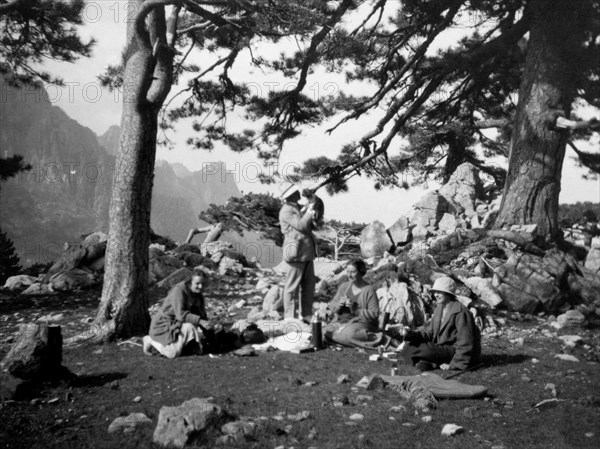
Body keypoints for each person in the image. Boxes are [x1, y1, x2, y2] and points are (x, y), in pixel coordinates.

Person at [401, 276, 481, 371]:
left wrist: (454, 364)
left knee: (424, 349)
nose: (436, 295)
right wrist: (411, 334)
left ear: (448, 294)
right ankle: (428, 362)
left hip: (454, 350)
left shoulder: (461, 312)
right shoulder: (439, 308)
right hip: (441, 347)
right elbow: (430, 332)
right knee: (410, 345)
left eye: (440, 292)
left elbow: (466, 342)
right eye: (435, 292)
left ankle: (429, 361)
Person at [143, 270, 220, 358]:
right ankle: (150, 340)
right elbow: (181, 314)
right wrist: (201, 321)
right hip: (164, 326)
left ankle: (184, 345)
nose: (200, 286)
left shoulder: (198, 296)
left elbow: (202, 316)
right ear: (190, 282)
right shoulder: (179, 291)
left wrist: (212, 336)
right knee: (172, 354)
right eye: (197, 283)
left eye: (203, 284)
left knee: (194, 348)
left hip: (181, 325)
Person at [324, 259, 395, 350]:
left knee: (349, 334)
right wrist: (339, 305)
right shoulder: (344, 286)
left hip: (360, 323)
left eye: (353, 272)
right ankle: (344, 340)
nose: (349, 275)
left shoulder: (369, 290)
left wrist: (356, 310)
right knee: (323, 332)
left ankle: (380, 338)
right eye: (348, 272)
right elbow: (332, 306)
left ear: (361, 272)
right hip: (341, 322)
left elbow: (374, 314)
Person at [279, 183, 317, 322]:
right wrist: (309, 210)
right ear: (290, 195)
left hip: (305, 252)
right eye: (295, 192)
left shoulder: (295, 208)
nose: (299, 194)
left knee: (308, 285)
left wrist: (310, 208)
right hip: (295, 253)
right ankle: (290, 317)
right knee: (292, 287)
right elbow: (301, 225)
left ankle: (306, 314)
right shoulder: (286, 210)